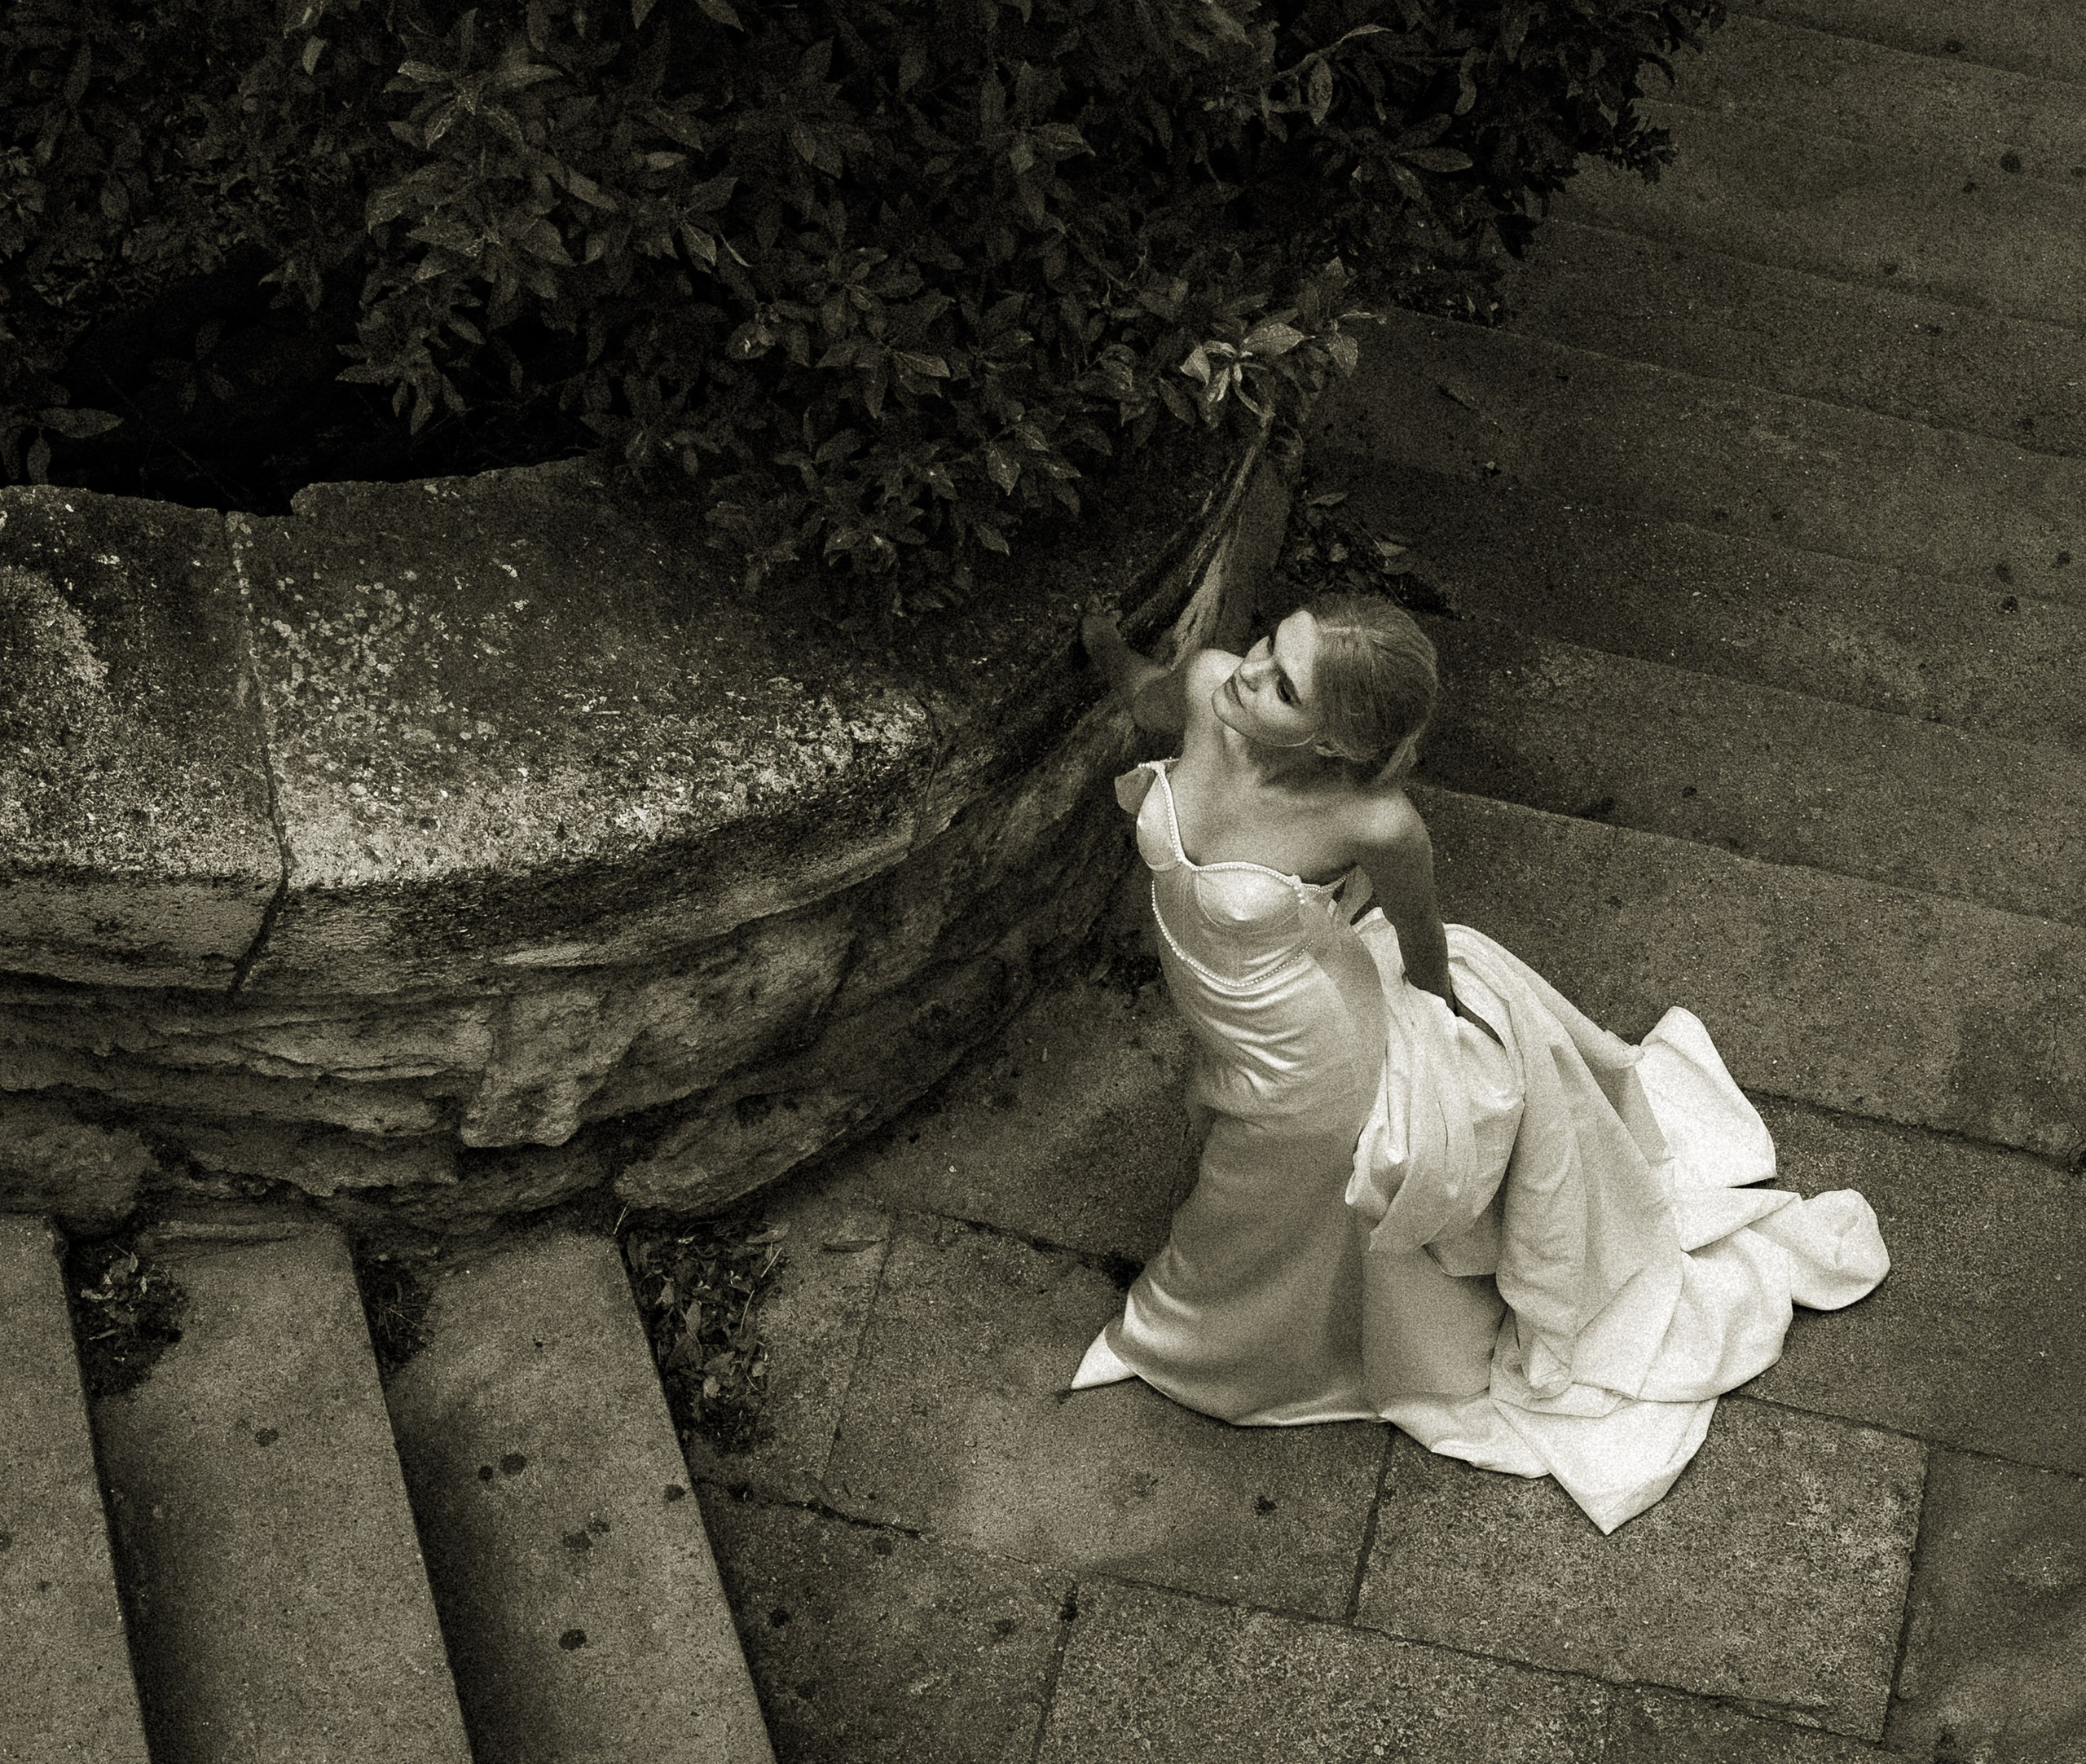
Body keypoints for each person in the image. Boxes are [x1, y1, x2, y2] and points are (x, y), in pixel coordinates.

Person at [1072, 591, 1889, 1532]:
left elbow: (1421, 937)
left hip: (1307, 1053)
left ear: (1333, 741)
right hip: (1222, 1015)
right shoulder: (1213, 684)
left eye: (1283, 686)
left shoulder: (1375, 822)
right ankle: (1299, 1319)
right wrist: (1105, 646)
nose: (1249, 670)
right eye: (1268, 643)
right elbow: (1147, 692)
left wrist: (1454, 1032)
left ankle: (1190, 1341)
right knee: (1272, 1194)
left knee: (1245, 1196)